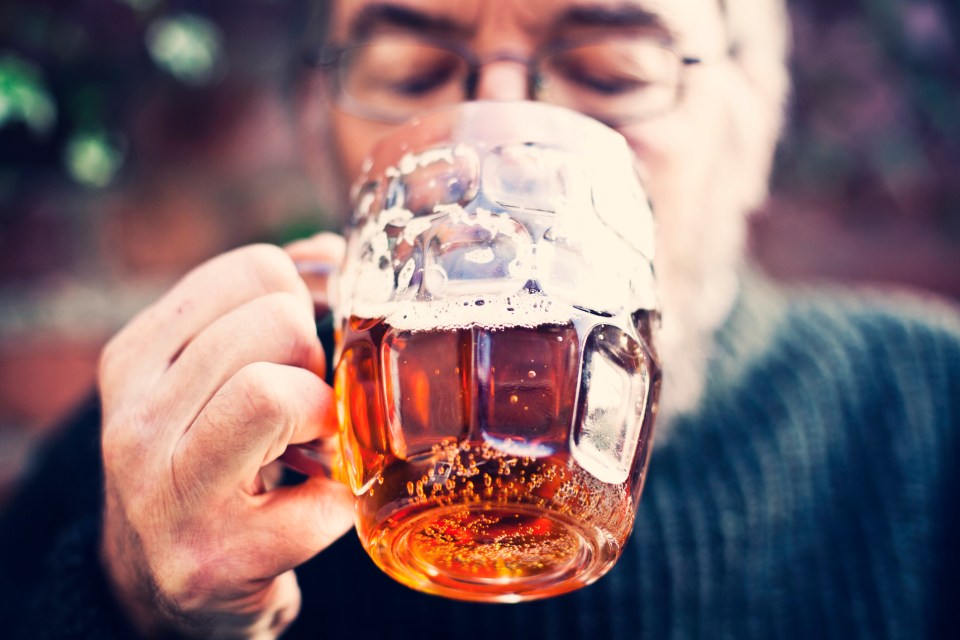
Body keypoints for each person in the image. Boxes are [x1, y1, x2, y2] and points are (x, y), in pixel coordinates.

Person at [2, 0, 958, 638]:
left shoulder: (934, 417)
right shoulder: (142, 471)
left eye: (610, 71)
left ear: (758, 113)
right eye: (416, 73)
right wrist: (128, 605)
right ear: (312, 119)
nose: (501, 146)